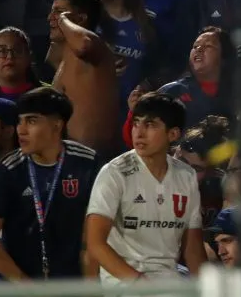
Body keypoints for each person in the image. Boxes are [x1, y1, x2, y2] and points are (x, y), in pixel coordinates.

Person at [0, 88, 99, 280]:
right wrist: (28, 289)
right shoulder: (8, 171)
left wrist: (90, 289)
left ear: (57, 125)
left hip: (72, 283)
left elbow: (96, 235)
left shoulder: (88, 164)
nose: (21, 130)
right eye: (19, 121)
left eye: (31, 121)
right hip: (18, 285)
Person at [85, 92, 205, 283]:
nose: (138, 133)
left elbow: (193, 248)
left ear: (173, 134)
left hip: (169, 286)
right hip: (126, 290)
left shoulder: (186, 176)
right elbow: (95, 244)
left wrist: (206, 295)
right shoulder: (114, 173)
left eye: (149, 125)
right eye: (136, 124)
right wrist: (139, 283)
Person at [47, 0, 121, 155]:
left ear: (80, 19)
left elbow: (83, 44)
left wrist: (63, 20)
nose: (51, 18)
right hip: (70, 159)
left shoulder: (95, 45)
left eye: (59, 12)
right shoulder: (65, 58)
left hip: (95, 160)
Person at [91, 0, 158, 111]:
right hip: (94, 109)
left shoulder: (148, 21)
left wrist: (146, 85)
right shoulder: (86, 20)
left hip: (133, 112)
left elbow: (160, 68)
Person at [156, 27, 236, 131]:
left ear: (224, 57)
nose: (198, 49)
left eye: (208, 46)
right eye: (195, 46)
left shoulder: (239, 94)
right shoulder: (170, 92)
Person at [0, 27, 47, 104]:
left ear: (29, 57)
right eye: (2, 51)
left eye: (17, 50)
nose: (10, 56)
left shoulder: (48, 94)